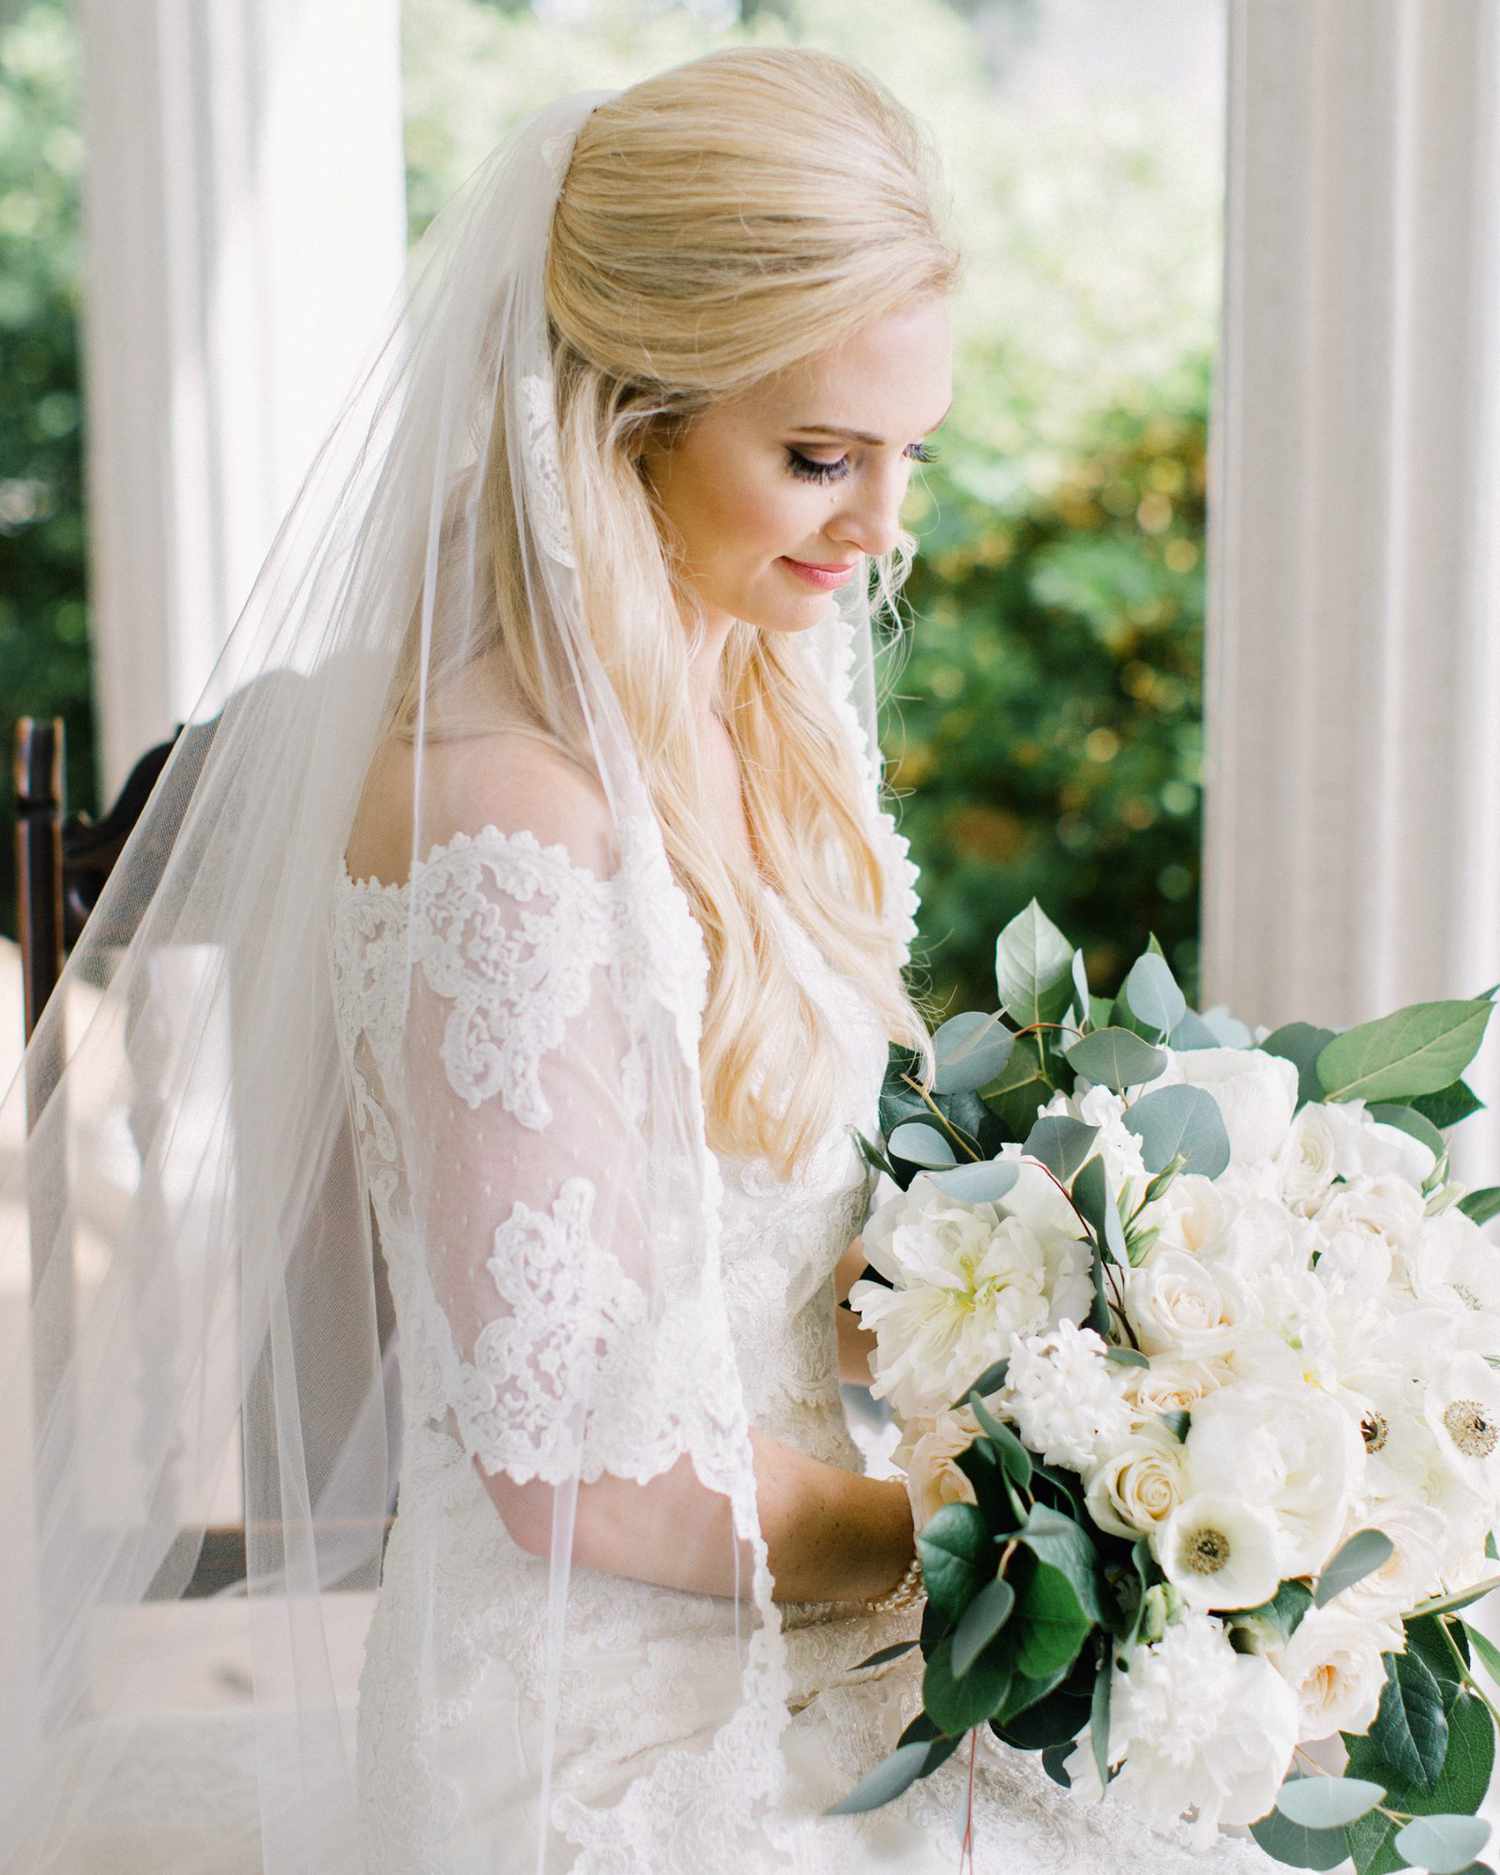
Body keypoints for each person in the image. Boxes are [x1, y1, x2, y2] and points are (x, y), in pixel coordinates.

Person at [0, 44, 1273, 1875]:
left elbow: (822, 1210)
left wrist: (1089, 1374)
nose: (880, 530)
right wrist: (969, 1529)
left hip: (820, 1594)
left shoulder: (752, 665)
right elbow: (576, 1477)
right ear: (622, 421)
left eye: (910, 454)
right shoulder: (500, 817)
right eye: (820, 458)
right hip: (605, 1714)